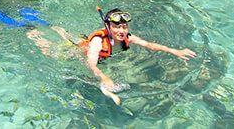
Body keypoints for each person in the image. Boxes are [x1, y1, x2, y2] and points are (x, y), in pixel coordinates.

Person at [27, 8, 196, 105]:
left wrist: (175, 51)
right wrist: (104, 76)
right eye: (117, 27)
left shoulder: (127, 38)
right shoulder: (98, 42)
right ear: (108, 27)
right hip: (79, 52)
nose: (122, 31)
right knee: (50, 51)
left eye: (124, 26)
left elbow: (149, 45)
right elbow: (91, 64)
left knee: (74, 38)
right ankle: (31, 31)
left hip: (85, 43)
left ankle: (56, 27)